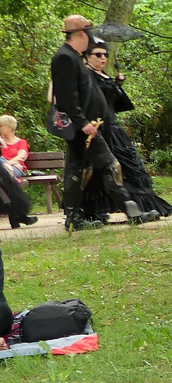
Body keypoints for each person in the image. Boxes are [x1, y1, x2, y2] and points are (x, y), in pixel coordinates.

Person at [50, 14, 142, 232]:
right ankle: (132, 212)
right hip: (83, 128)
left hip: (89, 125)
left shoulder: (75, 57)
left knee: (77, 171)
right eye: (89, 32)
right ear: (82, 34)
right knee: (111, 165)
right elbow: (66, 98)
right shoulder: (65, 58)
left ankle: (73, 217)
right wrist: (83, 123)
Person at [78, 39, 170, 223]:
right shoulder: (86, 76)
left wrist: (117, 84)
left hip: (113, 127)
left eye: (105, 55)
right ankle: (92, 212)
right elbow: (90, 101)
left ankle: (142, 207)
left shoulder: (103, 75)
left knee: (129, 167)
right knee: (103, 170)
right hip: (98, 128)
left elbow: (112, 102)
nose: (103, 58)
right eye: (98, 54)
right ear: (86, 57)